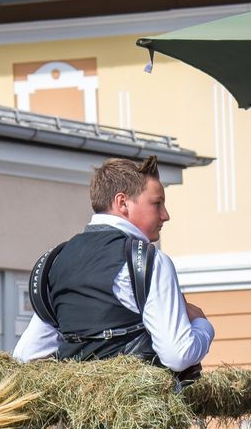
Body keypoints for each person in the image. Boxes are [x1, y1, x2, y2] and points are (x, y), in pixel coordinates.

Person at [14, 156, 214, 375]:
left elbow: (26, 355)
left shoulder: (56, 261)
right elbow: (179, 355)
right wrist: (202, 325)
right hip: (139, 396)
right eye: (157, 203)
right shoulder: (149, 261)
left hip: (76, 396)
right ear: (122, 203)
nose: (165, 215)